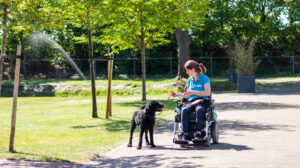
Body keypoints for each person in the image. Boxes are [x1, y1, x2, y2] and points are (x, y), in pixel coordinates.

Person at [171, 60, 211, 142]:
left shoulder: (204, 78)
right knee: (184, 109)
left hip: (201, 101)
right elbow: (187, 94)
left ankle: (198, 133)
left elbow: (207, 92)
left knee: (199, 110)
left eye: (187, 70)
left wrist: (194, 92)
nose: (186, 72)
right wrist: (177, 94)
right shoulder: (190, 80)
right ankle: (185, 134)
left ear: (193, 69)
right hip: (191, 101)